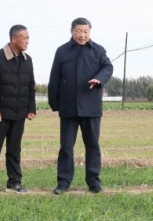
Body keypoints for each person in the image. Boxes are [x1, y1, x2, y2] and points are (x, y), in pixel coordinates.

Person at [48, 17, 113, 194]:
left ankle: (93, 181)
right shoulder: (62, 51)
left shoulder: (98, 50)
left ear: (89, 32)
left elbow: (108, 68)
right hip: (68, 108)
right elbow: (54, 79)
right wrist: (55, 104)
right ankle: (63, 182)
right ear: (71, 31)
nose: (82, 35)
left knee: (92, 145)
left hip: (91, 107)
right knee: (66, 147)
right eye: (79, 31)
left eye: (85, 32)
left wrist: (99, 79)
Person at [0, 25, 36, 195]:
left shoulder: (28, 60)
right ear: (14, 39)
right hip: (0, 114)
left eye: (28, 37)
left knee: (14, 149)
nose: (27, 41)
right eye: (24, 37)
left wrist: (31, 107)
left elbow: (31, 86)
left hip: (19, 113)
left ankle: (15, 182)